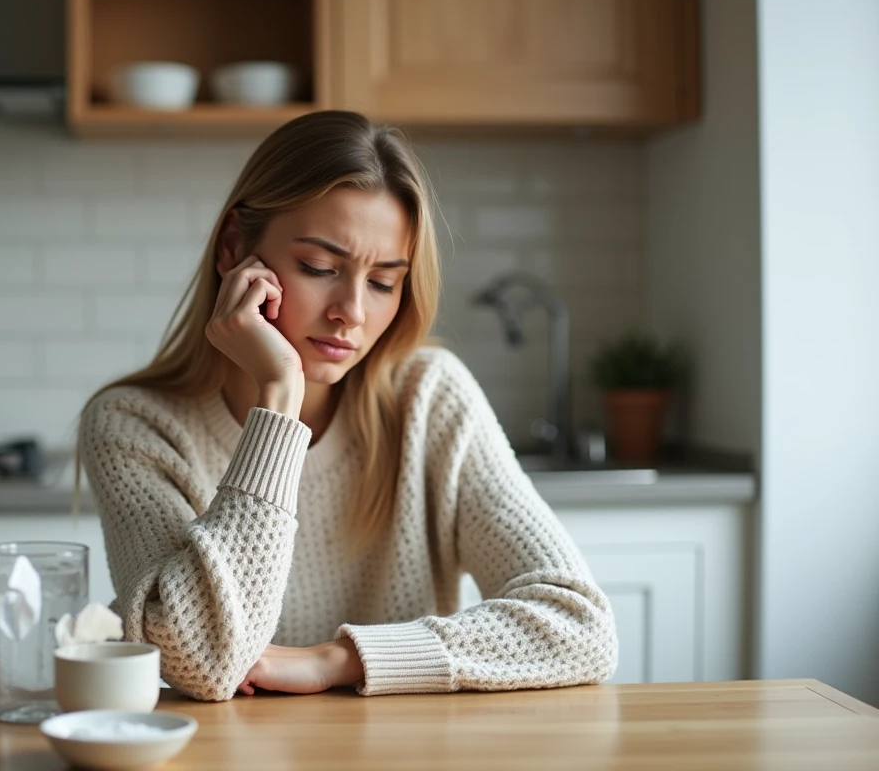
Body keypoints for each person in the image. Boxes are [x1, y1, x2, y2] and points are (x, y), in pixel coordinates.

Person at [77, 110, 618, 702]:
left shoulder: (427, 397)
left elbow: (581, 628)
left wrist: (339, 659)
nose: (352, 312)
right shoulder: (134, 425)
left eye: (383, 282)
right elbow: (204, 660)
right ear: (234, 248)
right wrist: (279, 399)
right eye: (319, 268)